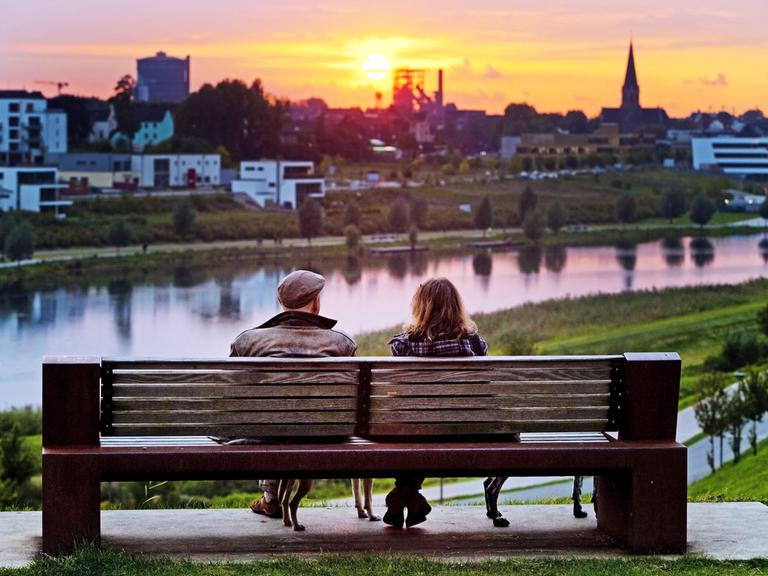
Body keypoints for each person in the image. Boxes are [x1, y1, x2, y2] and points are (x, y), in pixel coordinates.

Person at [229, 269, 356, 518]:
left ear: (281, 304)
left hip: (267, 433)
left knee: (271, 421)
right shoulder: (342, 343)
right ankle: (273, 498)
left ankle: (270, 498)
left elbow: (234, 397)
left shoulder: (247, 341)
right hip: (327, 434)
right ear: (317, 303)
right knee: (283, 422)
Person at [383, 277, 489, 528]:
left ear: (421, 306)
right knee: (428, 430)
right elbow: (484, 387)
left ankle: (401, 496)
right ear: (456, 306)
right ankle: (406, 498)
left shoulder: (403, 345)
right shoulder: (473, 343)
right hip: (463, 430)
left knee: (416, 430)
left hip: (414, 430)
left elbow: (395, 394)